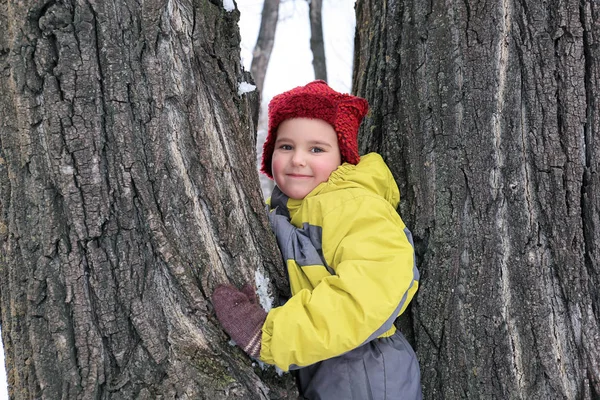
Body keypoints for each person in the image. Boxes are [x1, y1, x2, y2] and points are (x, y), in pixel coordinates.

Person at [211, 80, 422, 399]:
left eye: (316, 149)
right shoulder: (287, 209)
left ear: (342, 157)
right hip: (328, 368)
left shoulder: (353, 205)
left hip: (365, 374)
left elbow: (368, 295)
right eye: (286, 146)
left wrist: (270, 336)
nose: (297, 159)